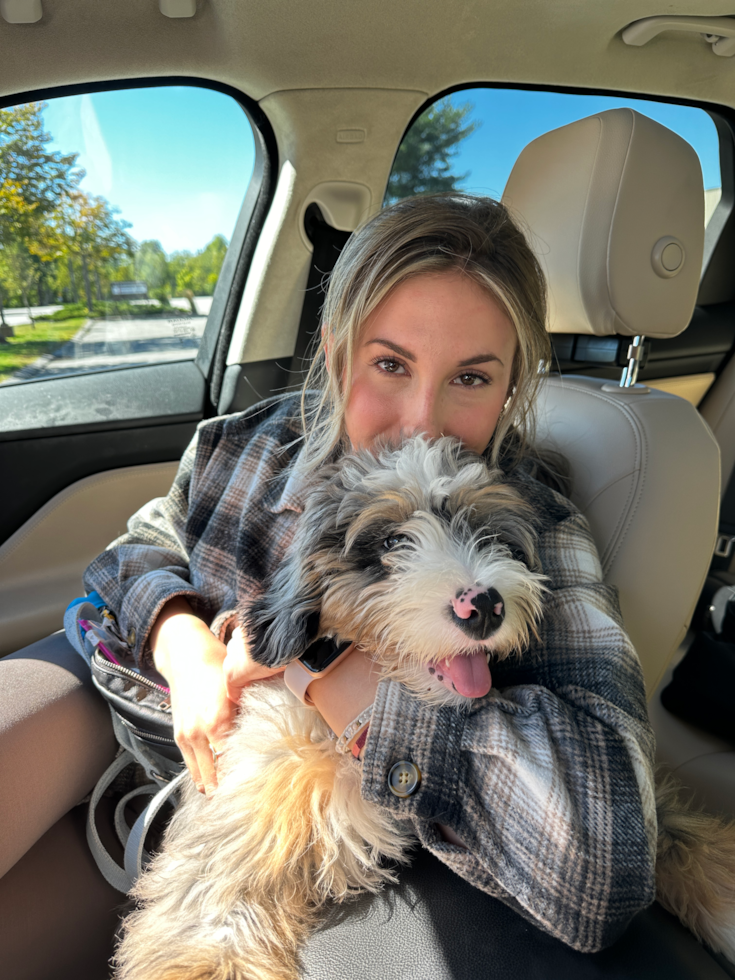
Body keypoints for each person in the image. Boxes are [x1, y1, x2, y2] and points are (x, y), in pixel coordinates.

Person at [82, 194, 657, 953]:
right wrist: (186, 646)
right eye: (389, 363)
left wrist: (322, 674)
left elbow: (605, 867)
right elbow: (138, 549)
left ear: (513, 383)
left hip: (294, 831)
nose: (421, 418)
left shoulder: (539, 531)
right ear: (335, 349)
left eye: (472, 378)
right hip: (150, 733)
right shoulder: (243, 444)